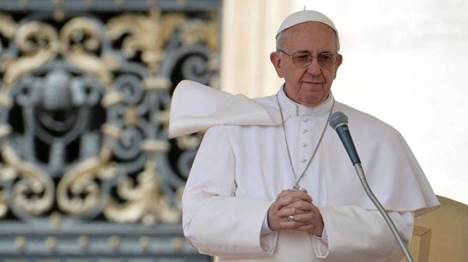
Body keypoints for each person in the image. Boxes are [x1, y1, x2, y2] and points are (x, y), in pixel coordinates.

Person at [168, 10, 439, 262]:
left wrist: (325, 223)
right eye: (302, 57)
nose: (314, 69)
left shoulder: (379, 137)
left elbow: (398, 231)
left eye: (325, 57)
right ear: (278, 63)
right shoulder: (233, 127)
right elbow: (196, 221)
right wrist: (265, 218)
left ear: (337, 63)